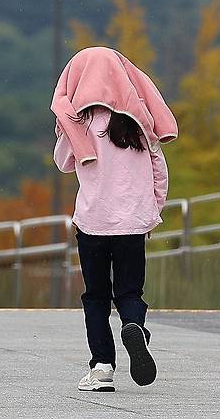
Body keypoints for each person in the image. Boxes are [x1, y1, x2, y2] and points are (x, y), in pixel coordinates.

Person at [52, 47, 177, 392]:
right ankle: (134, 325)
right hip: (133, 223)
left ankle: (102, 366)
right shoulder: (137, 123)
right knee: (130, 290)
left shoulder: (82, 122)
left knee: (95, 296)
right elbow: (158, 169)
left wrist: (65, 128)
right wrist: (153, 210)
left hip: (93, 221)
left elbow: (63, 162)